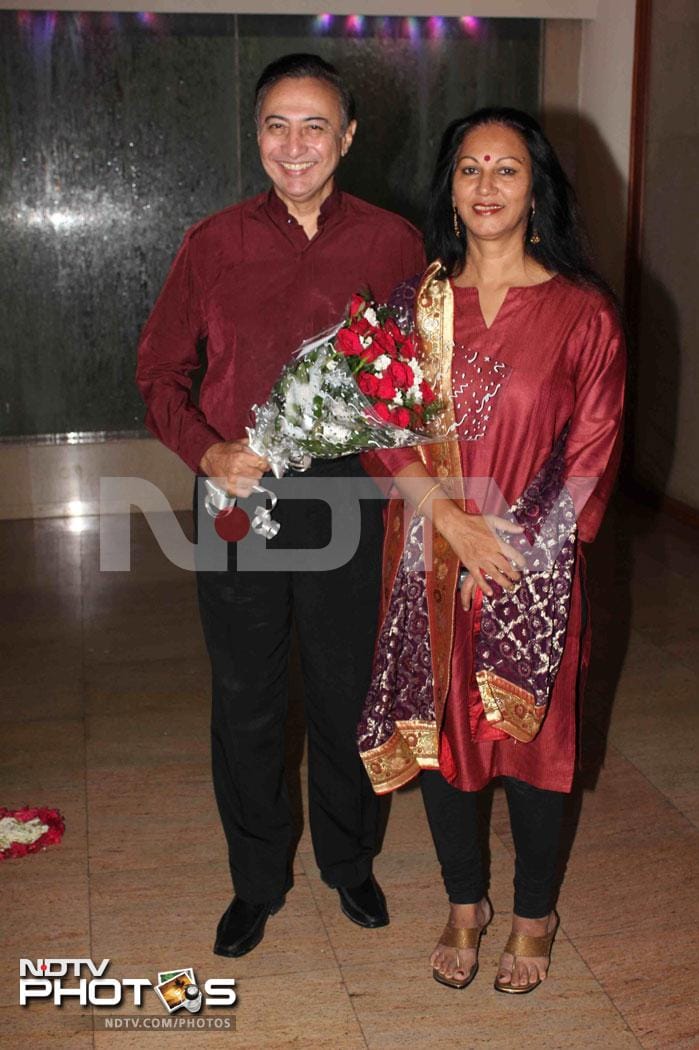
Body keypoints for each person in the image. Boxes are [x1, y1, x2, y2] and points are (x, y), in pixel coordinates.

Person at [137, 53, 425, 957]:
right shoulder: (212, 242)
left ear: (346, 137)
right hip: (238, 496)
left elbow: (419, 379)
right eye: (275, 125)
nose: (293, 145)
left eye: (314, 126)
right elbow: (157, 371)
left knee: (345, 691)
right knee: (247, 695)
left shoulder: (393, 242)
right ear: (255, 133)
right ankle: (256, 880)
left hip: (353, 491)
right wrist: (209, 450)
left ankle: (350, 862)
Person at [357, 107, 625, 993]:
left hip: (534, 569)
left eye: (505, 170)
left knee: (537, 749)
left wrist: (509, 562)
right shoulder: (416, 304)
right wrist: (455, 530)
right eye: (469, 169)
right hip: (430, 559)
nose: (484, 186)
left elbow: (590, 458)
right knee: (448, 741)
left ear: (536, 188)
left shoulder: (584, 313)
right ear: (450, 187)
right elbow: (384, 431)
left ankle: (535, 914)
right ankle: (464, 902)